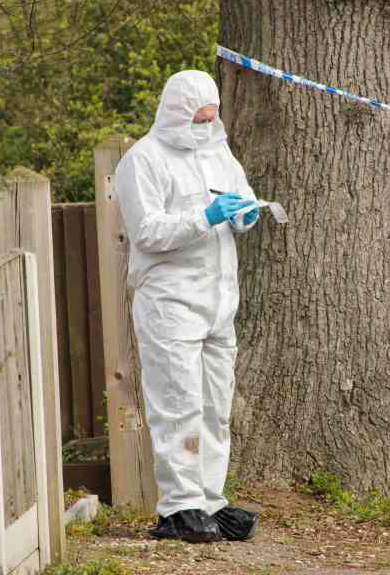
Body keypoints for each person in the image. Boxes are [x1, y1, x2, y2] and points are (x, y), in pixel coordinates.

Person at [115, 70, 260, 543]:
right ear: (176, 112)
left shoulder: (218, 151)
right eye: (197, 118)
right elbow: (148, 232)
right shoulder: (144, 160)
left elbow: (240, 194)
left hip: (219, 300)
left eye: (211, 117)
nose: (205, 125)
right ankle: (179, 507)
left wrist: (244, 213)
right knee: (178, 404)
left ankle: (210, 501)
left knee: (215, 407)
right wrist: (205, 216)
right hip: (171, 302)